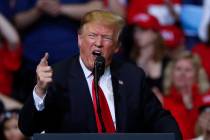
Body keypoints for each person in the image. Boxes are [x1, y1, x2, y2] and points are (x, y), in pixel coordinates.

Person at [18, 10, 182, 139]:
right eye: (92, 36)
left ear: (117, 47)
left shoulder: (132, 76)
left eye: (106, 38)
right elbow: (28, 127)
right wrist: (40, 91)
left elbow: (160, 119)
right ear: (79, 40)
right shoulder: (57, 76)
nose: (98, 43)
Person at [162, 51, 210, 139]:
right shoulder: (162, 101)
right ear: (171, 73)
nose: (182, 74)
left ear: (197, 75)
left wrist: (190, 108)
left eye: (188, 70)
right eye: (178, 69)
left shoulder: (205, 99)